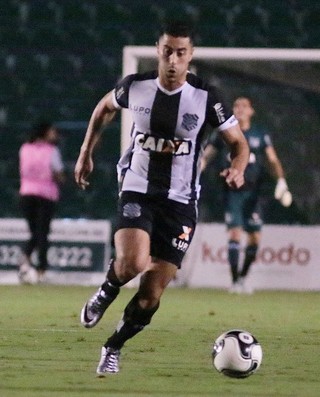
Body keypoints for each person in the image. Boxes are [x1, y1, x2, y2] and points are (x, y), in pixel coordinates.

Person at [74, 20, 249, 375]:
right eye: (167, 51)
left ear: (191, 56)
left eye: (180, 53)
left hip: (181, 201)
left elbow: (239, 144)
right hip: (138, 186)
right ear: (158, 50)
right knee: (133, 263)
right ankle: (107, 290)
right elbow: (103, 108)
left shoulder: (206, 97)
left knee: (151, 294)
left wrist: (239, 168)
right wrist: (85, 153)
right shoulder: (135, 87)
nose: (172, 59)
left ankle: (113, 346)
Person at [201, 96, 292, 294]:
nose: (240, 109)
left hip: (255, 193)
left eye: (244, 106)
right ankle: (234, 282)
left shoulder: (260, 134)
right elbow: (206, 156)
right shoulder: (223, 132)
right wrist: (195, 172)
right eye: (236, 106)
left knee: (255, 238)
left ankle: (242, 278)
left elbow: (272, 159)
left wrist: (281, 181)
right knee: (234, 233)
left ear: (251, 111)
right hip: (232, 191)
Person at [18, 122, 65, 283]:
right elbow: (58, 173)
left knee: (34, 232)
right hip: (46, 195)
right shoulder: (52, 151)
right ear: (44, 132)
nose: (55, 134)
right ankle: (41, 269)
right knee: (42, 233)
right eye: (52, 131)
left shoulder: (24, 148)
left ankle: (26, 258)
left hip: (26, 193)